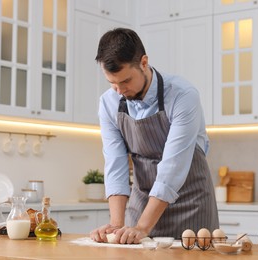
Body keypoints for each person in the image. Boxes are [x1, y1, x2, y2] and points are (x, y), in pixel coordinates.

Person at [90, 28, 219, 244]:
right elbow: (115, 163)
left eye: (126, 81)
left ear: (143, 63)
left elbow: (173, 166)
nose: (119, 90)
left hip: (191, 202)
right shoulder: (108, 102)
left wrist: (142, 226)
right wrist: (117, 225)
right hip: (142, 202)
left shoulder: (183, 95)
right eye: (112, 83)